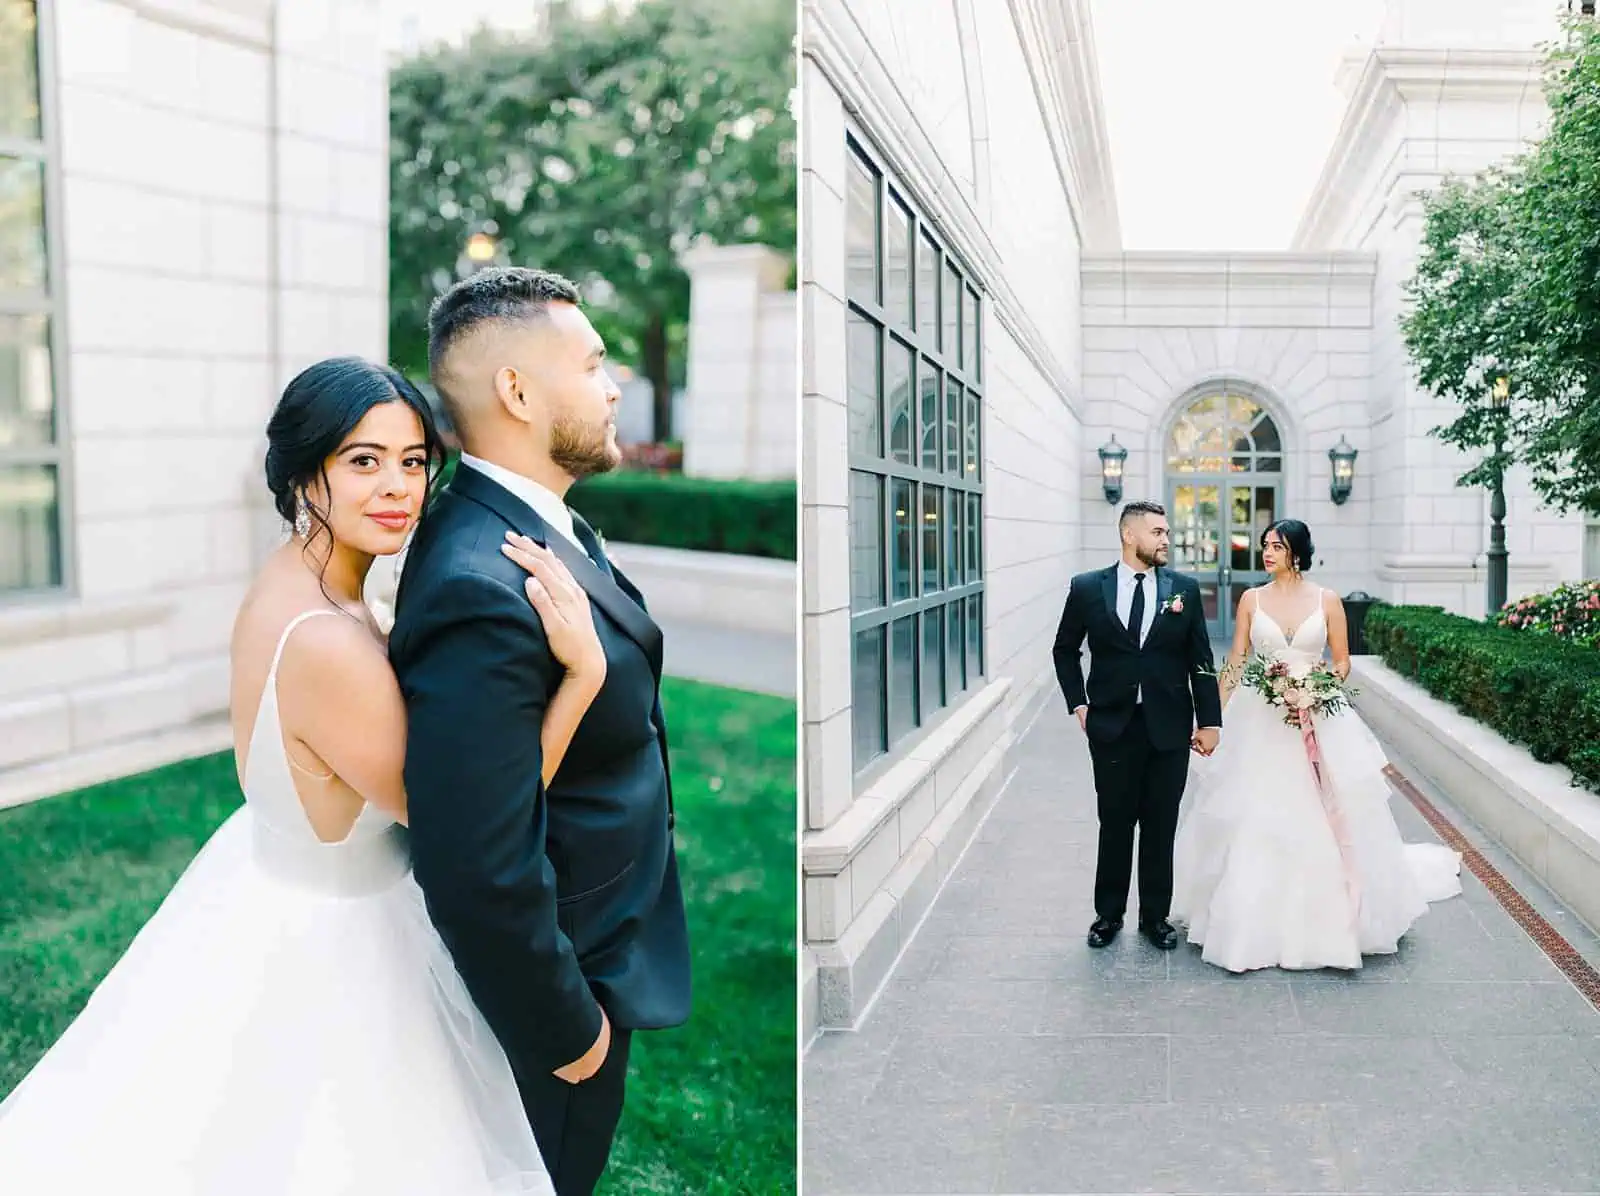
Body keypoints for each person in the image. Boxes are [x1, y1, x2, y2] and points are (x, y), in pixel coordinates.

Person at [0, 357, 581, 1193]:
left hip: (274, 879)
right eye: (363, 460)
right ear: (308, 474)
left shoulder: (301, 582)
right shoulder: (325, 641)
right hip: (336, 937)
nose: (397, 487)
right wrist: (580, 678)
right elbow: (472, 825)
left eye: (413, 461)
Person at [388, 267, 691, 1196]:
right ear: (516, 391)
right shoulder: (481, 581)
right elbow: (478, 861)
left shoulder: (534, 522)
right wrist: (572, 1036)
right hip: (562, 993)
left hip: (607, 939)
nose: (615, 387)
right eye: (594, 363)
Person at [1171, 518, 1463, 972]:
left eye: (1277, 546)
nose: (1267, 553)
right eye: (1265, 545)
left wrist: (1315, 688)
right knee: (1252, 811)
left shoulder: (1327, 601)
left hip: (1316, 716)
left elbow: (1342, 663)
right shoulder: (1251, 598)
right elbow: (1235, 662)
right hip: (1260, 718)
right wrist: (1212, 716)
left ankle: (1331, 922)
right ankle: (1249, 922)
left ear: (1297, 552)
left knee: (1327, 812)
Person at [1053, 500, 1223, 951]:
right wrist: (1080, 705)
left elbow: (1200, 661)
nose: (1166, 539)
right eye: (1158, 532)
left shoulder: (1182, 589)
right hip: (1111, 726)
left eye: (1167, 532)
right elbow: (1064, 650)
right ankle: (1107, 916)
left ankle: (1155, 918)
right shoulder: (1088, 588)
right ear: (1130, 535)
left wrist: (1210, 721)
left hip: (1168, 727)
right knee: (1114, 822)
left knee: (1160, 824)